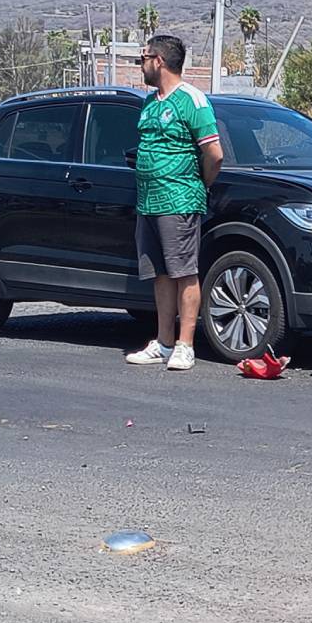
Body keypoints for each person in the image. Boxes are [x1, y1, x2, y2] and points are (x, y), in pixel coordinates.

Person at [125, 35, 225, 371]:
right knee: (160, 275)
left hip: (179, 198)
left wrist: (198, 184)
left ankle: (185, 345)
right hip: (149, 203)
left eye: (143, 58)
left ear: (160, 61)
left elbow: (214, 154)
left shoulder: (193, 100)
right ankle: (163, 342)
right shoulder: (150, 102)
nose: (141, 65)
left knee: (184, 272)